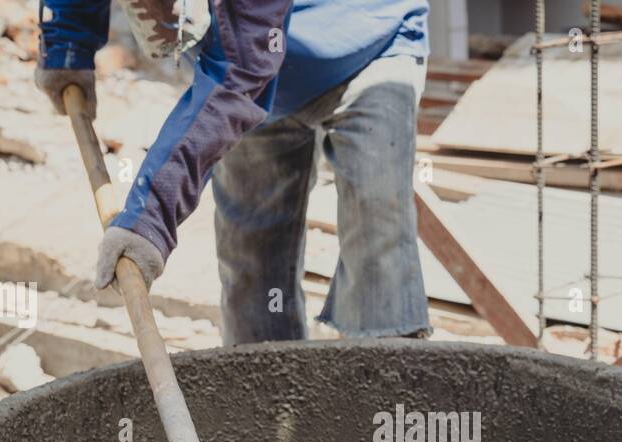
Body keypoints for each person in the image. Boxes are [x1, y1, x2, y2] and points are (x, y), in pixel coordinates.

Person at [35, 0, 431, 345]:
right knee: (253, 272)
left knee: (378, 238)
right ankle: (267, 416)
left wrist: (149, 218)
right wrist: (68, 45)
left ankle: (387, 410)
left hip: (372, 41)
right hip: (241, 54)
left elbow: (243, 72)